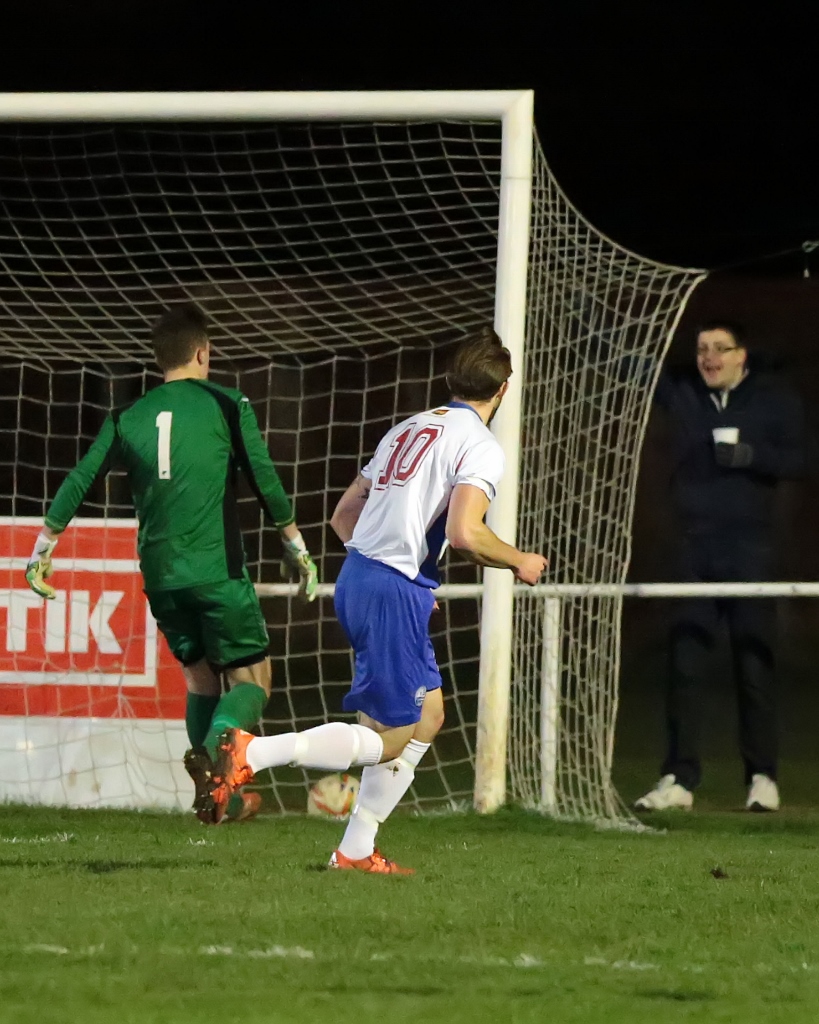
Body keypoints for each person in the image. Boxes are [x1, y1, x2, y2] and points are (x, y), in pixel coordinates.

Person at [210, 326, 548, 871]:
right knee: (389, 739)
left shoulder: (407, 428)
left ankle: (356, 849)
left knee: (429, 716)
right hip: (390, 587)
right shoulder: (480, 445)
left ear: (452, 380)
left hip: (361, 575)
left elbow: (343, 515)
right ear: (503, 389)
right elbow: (465, 533)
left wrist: (393, 575)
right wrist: (518, 560)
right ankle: (253, 752)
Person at [24, 303, 319, 823]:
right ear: (203, 353)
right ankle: (218, 755)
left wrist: (42, 548)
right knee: (253, 681)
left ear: (161, 358)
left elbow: (81, 478)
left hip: (161, 577)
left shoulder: (127, 416)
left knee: (201, 680)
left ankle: (220, 801)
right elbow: (264, 477)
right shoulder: (227, 403)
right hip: (217, 571)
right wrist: (296, 545)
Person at [634, 319, 806, 814]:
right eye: (702, 349)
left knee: (754, 665)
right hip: (694, 552)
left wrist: (751, 455)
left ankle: (762, 778)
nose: (708, 357)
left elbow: (802, 459)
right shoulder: (684, 393)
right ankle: (679, 779)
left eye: (720, 348)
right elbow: (631, 366)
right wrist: (584, 311)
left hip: (752, 552)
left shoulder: (772, 400)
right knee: (686, 665)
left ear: (741, 355)